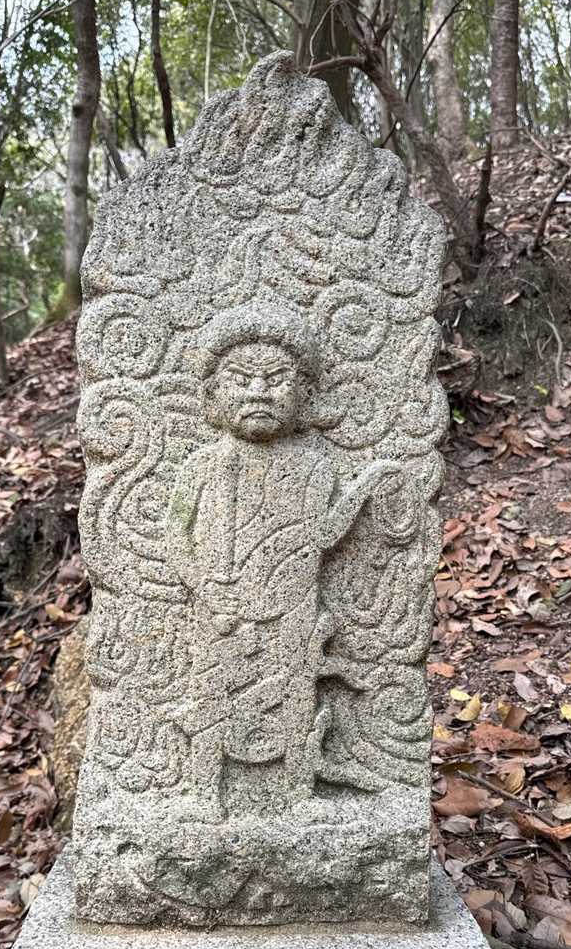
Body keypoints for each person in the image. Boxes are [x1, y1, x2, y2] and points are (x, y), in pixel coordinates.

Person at [165, 302, 409, 822]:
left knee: (298, 693)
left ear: (306, 395)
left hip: (293, 605)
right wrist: (204, 584)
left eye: (276, 380)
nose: (258, 391)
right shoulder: (202, 467)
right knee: (211, 689)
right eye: (241, 380)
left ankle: (299, 792)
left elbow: (323, 535)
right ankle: (202, 791)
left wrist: (364, 487)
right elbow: (176, 536)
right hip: (222, 608)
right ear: (212, 395)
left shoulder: (314, 464)